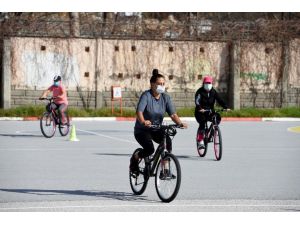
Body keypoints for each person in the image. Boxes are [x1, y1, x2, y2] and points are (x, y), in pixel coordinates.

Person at [130, 69, 188, 173]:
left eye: (163, 84)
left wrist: (179, 123)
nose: (162, 86)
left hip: (156, 128)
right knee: (149, 149)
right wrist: (143, 121)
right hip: (142, 130)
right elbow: (139, 112)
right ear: (152, 84)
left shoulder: (166, 98)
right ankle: (135, 157)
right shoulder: (146, 96)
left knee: (167, 142)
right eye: (159, 84)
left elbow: (173, 114)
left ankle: (164, 170)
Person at [194, 75, 230, 149]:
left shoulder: (213, 92)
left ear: (211, 84)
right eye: (206, 83)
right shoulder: (199, 92)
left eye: (209, 83)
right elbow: (197, 101)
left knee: (217, 117)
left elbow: (219, 100)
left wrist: (225, 107)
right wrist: (200, 108)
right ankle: (200, 141)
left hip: (210, 111)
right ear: (203, 83)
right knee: (202, 123)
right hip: (200, 112)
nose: (208, 85)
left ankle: (214, 130)